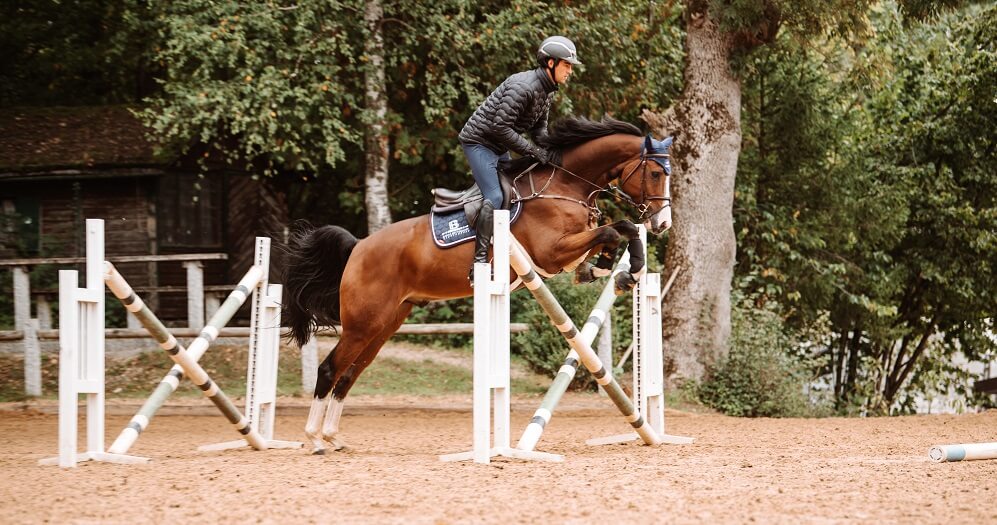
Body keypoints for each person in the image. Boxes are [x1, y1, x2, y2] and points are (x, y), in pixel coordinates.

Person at [458, 35, 580, 283]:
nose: (570, 71)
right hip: (479, 142)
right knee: (495, 196)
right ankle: (479, 263)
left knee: (520, 190)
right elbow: (499, 127)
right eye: (567, 65)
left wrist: (558, 154)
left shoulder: (546, 92)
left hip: (499, 143)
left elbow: (539, 133)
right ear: (550, 63)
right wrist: (534, 152)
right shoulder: (523, 87)